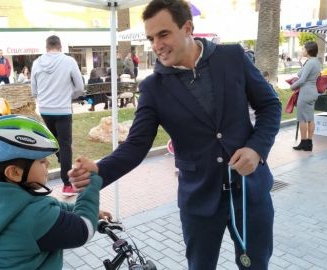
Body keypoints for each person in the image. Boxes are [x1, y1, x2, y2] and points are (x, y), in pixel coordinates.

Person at [68, 1, 281, 269]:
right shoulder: (153, 88)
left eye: (163, 34)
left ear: (188, 27)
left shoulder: (233, 57)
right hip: (199, 200)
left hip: (251, 193)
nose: (156, 45)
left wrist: (257, 148)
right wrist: (98, 170)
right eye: (151, 38)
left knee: (256, 265)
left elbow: (270, 105)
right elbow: (136, 145)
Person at [0, 115, 109, 270]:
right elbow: (84, 230)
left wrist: (81, 209)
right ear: (14, 173)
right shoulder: (35, 216)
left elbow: (48, 206)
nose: (48, 163)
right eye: (41, 161)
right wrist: (90, 180)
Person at [31, 35, 85, 196]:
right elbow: (80, 88)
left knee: (55, 144)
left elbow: (34, 90)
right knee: (65, 146)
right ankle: (67, 184)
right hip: (62, 109)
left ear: (47, 47)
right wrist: (70, 95)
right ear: (60, 47)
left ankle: (64, 163)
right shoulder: (69, 61)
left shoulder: (36, 63)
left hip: (45, 109)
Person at [290, 41, 321, 151]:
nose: (302, 50)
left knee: (302, 119)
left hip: (306, 92)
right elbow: (300, 73)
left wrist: (292, 87)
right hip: (313, 92)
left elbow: (302, 79)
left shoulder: (310, 63)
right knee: (310, 118)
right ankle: (309, 143)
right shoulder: (315, 62)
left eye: (303, 49)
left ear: (308, 50)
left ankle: (303, 143)